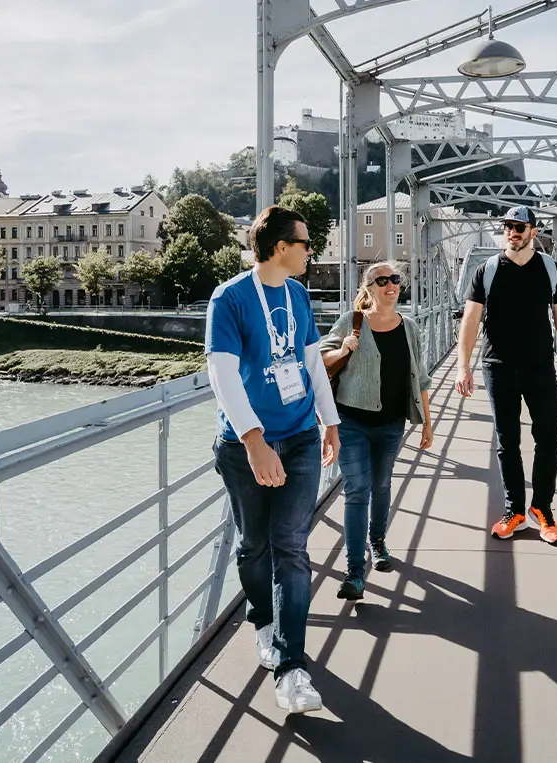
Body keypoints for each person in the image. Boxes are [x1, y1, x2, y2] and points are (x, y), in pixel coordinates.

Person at [204, 205, 340, 714]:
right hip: (245, 446)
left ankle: (291, 667)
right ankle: (263, 619)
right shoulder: (231, 298)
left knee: (291, 546)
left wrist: (330, 421)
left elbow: (311, 361)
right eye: (306, 243)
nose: (312, 251)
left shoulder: (299, 294)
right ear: (281, 247)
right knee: (254, 544)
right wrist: (254, 440)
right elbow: (221, 373)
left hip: (301, 434)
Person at [456, 205, 557, 544]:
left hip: (540, 366)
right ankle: (515, 511)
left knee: (548, 439)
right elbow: (470, 320)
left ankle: (543, 509)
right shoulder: (488, 270)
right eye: (508, 226)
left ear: (533, 232)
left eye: (520, 227)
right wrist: (463, 366)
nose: (513, 232)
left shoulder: (550, 269)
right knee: (508, 442)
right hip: (498, 367)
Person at [319, 260, 435, 601]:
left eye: (395, 279)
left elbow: (422, 377)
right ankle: (355, 571)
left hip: (391, 423)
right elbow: (321, 357)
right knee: (358, 490)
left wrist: (427, 423)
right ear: (368, 289)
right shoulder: (353, 322)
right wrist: (343, 349)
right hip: (352, 421)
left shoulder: (409, 327)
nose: (390, 285)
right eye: (381, 280)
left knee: (382, 484)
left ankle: (378, 542)